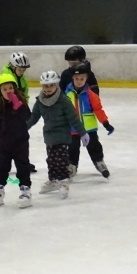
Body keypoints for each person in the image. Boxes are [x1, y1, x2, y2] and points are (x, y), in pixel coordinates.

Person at [26, 70, 87, 200]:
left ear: (57, 85)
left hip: (62, 135)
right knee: (51, 159)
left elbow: (73, 118)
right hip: (49, 135)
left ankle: (64, 181)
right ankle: (53, 180)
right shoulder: (40, 100)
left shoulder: (63, 100)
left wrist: (82, 133)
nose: (47, 89)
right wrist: (23, 128)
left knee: (60, 159)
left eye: (51, 85)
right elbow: (33, 117)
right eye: (45, 86)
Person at [0, 73, 32, 208]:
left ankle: (25, 190)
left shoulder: (20, 102)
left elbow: (28, 116)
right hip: (4, 143)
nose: (8, 91)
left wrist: (18, 105)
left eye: (10, 88)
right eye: (5, 89)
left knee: (22, 166)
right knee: (2, 166)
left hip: (20, 142)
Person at [66, 62, 114, 179]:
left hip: (89, 128)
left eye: (82, 79)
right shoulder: (66, 95)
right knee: (72, 148)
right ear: (72, 78)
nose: (79, 81)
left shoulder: (91, 95)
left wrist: (106, 123)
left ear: (86, 78)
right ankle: (72, 165)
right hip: (73, 129)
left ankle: (99, 162)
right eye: (76, 78)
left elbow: (98, 110)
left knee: (94, 146)